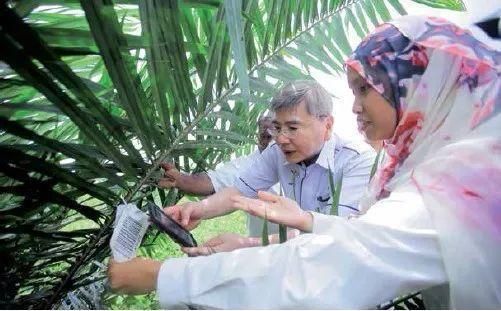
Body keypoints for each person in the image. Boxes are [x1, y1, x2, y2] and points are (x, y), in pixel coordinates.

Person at [108, 15, 500, 308]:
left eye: (366, 88)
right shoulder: (438, 160)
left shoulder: (450, 183)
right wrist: (199, 208)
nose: (280, 138)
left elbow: (340, 263)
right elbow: (239, 189)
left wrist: (166, 275)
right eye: (276, 127)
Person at [158, 116, 281, 237]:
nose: (273, 142)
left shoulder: (290, 158)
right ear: (258, 137)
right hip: (267, 249)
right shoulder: (251, 165)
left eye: (276, 132)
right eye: (267, 135)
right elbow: (230, 190)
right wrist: (181, 182)